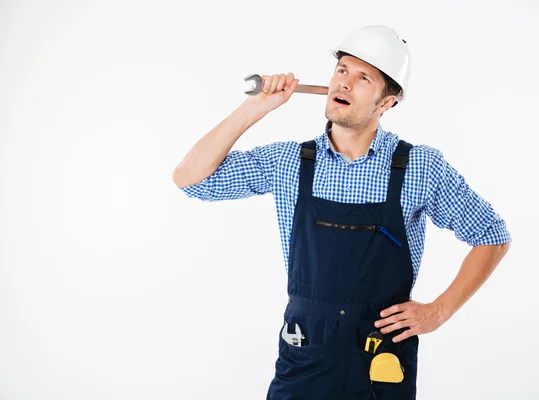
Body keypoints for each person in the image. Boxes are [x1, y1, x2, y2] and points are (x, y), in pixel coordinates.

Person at [172, 25, 512, 400]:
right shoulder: (289, 162)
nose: (344, 83)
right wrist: (255, 108)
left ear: (387, 102)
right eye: (342, 71)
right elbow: (191, 179)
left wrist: (440, 311)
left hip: (381, 356)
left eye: (363, 77)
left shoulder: (420, 167)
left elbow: (491, 235)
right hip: (305, 355)